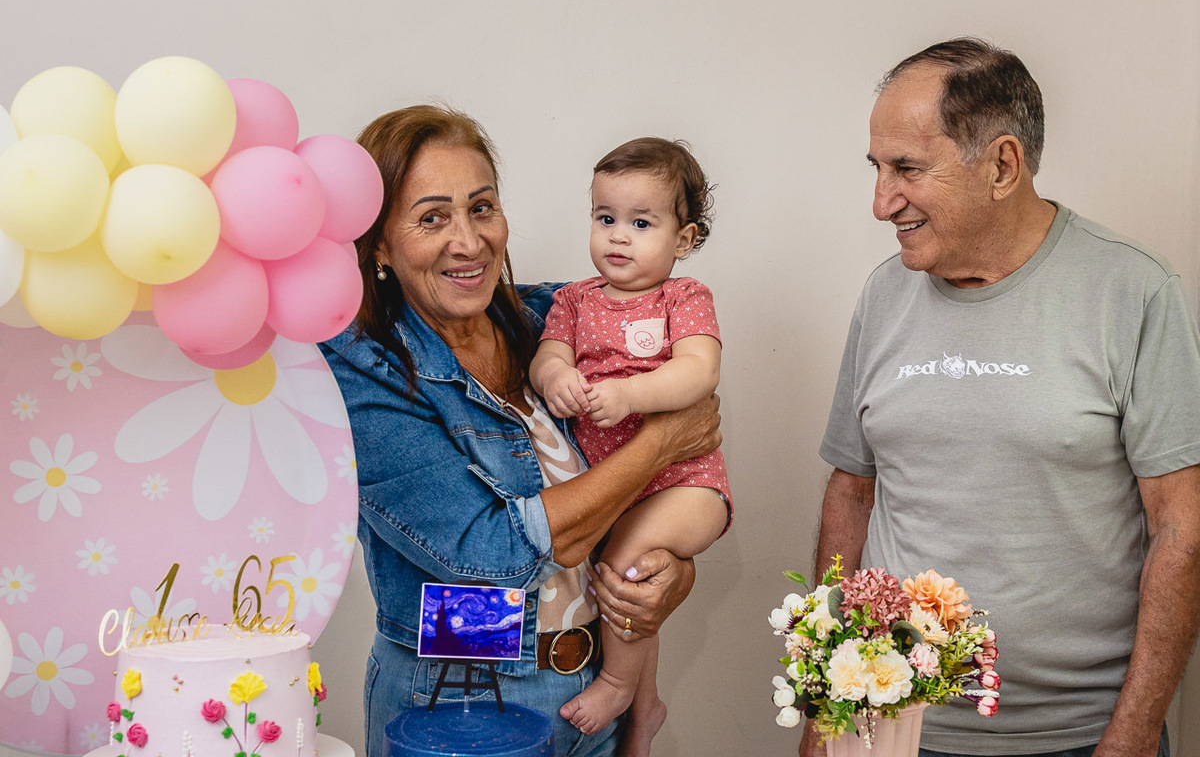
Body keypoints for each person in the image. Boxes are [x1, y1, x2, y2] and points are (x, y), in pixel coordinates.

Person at [805, 38, 1200, 757]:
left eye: (908, 169)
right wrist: (825, 709)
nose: (881, 202)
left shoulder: (1134, 291)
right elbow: (851, 496)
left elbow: (1181, 528)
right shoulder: (884, 294)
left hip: (1082, 735)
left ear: (1002, 166)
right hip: (893, 726)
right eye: (877, 168)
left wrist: (1135, 735)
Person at [319, 105, 722, 757]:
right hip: (462, 697)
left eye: (481, 208)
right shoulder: (368, 366)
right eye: (431, 218)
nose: (468, 241)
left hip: (594, 690)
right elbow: (494, 556)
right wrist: (661, 444)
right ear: (380, 245)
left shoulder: (554, 318)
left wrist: (671, 573)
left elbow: (661, 476)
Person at [530, 137, 732, 755]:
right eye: (605, 218)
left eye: (641, 223)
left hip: (686, 485)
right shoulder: (573, 299)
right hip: (616, 487)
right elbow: (548, 355)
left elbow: (700, 371)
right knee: (636, 591)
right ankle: (646, 711)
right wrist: (555, 377)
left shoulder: (683, 298)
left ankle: (617, 684)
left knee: (623, 562)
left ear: (684, 238)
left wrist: (631, 394)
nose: (619, 236)